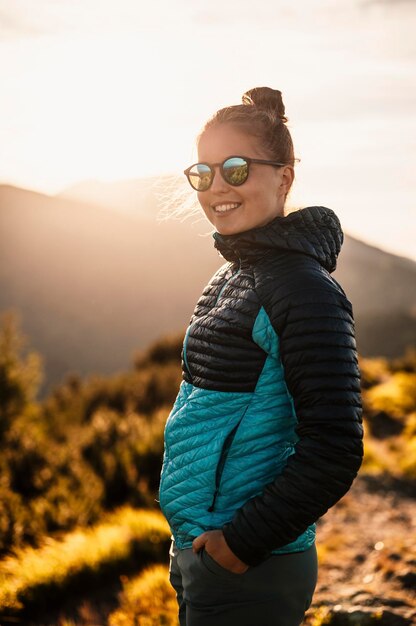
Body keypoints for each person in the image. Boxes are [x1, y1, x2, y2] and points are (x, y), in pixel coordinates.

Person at [158, 86, 364, 626]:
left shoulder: (303, 289)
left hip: (250, 563)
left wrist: (239, 546)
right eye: (203, 173)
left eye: (236, 168)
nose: (216, 187)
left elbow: (336, 447)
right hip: (202, 550)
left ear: (284, 176)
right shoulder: (233, 275)